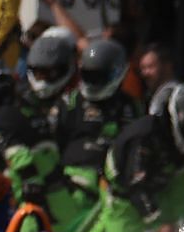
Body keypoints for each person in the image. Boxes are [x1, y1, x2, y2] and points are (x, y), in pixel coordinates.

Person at [82, 83, 184, 232]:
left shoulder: (183, 149)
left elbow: (183, 191)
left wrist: (182, 227)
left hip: (161, 191)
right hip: (125, 200)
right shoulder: (144, 136)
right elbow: (136, 187)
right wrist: (159, 225)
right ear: (178, 118)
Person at [56, 38, 139, 172]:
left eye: (99, 76)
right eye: (89, 75)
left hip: (108, 178)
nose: (93, 83)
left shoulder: (128, 106)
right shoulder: (69, 101)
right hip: (69, 176)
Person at [20, 25, 76, 141]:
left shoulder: (77, 95)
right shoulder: (21, 95)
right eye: (39, 72)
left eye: (50, 72)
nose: (42, 78)